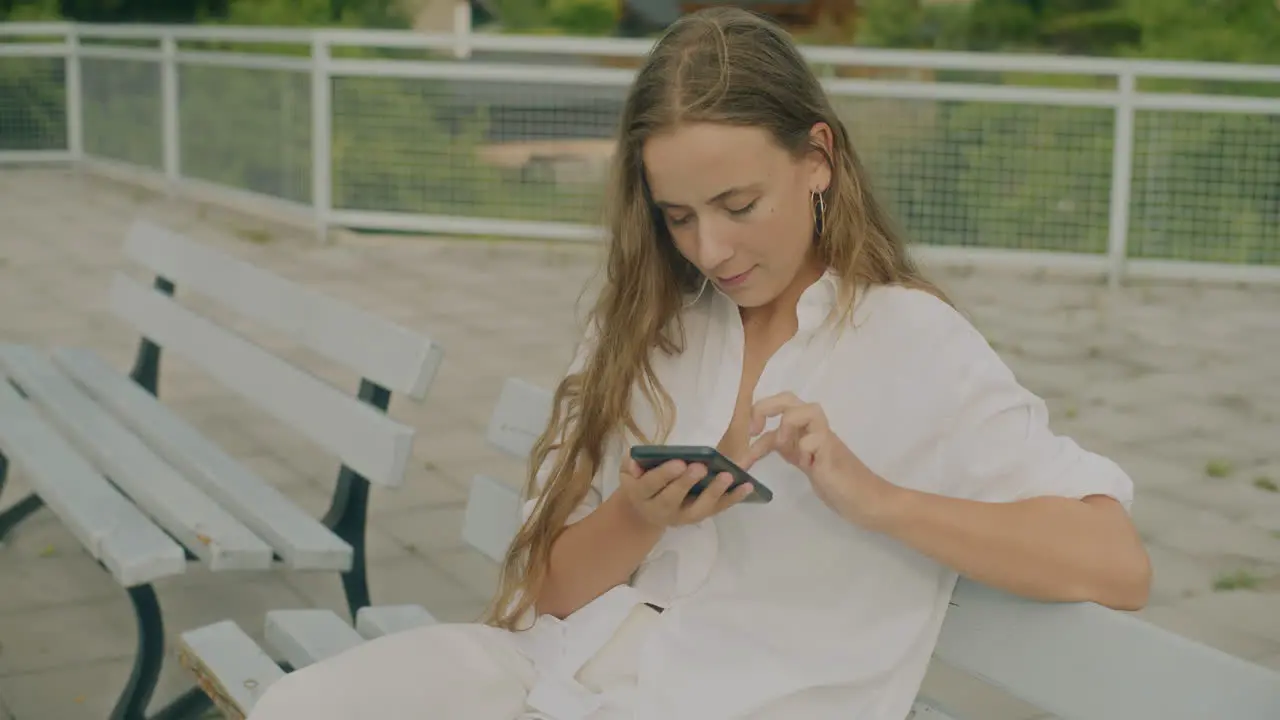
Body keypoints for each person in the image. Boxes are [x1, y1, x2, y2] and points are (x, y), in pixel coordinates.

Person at [248, 7, 1151, 720]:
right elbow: (545, 593)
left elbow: (1116, 565)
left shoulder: (913, 341)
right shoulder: (652, 329)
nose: (710, 247)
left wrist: (876, 498)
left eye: (737, 203)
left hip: (732, 700)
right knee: (296, 705)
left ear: (818, 159)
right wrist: (637, 518)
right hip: (554, 671)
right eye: (677, 216)